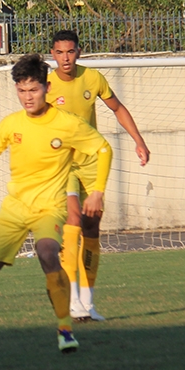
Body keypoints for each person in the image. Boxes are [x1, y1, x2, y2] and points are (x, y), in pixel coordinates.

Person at [0, 54, 112, 354]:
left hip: (50, 208)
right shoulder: (11, 124)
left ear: (46, 88)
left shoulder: (68, 124)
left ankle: (65, 328)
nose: (27, 97)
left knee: (48, 252)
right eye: (22, 90)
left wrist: (97, 191)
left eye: (33, 90)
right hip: (14, 209)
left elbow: (103, 149)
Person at [48, 30, 150, 321]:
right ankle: (72, 303)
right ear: (52, 55)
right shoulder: (47, 85)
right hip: (63, 164)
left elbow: (117, 108)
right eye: (60, 52)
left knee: (91, 229)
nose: (65, 58)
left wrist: (138, 140)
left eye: (70, 51)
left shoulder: (93, 78)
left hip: (92, 162)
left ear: (78, 52)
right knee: (72, 224)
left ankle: (88, 302)